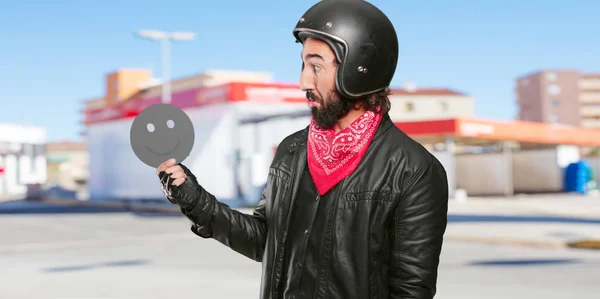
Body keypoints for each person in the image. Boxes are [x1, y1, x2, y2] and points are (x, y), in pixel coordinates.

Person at [156, 0, 449, 298]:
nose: (303, 81)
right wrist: (196, 202)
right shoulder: (291, 152)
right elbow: (264, 241)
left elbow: (411, 291)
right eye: (303, 64)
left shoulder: (413, 170)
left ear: (360, 71)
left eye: (316, 66)